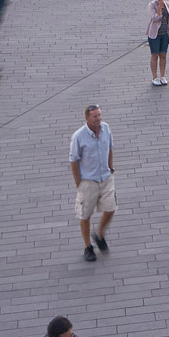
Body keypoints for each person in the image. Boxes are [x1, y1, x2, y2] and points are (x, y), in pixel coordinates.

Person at [70, 105, 115, 261]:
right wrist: (79, 184)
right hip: (88, 181)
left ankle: (99, 233)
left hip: (106, 177)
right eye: (95, 116)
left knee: (111, 208)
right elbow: (73, 160)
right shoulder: (79, 136)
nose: (99, 118)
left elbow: (110, 148)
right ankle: (88, 246)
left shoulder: (106, 128)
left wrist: (111, 168)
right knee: (85, 215)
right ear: (87, 118)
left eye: (100, 115)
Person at [144, 0, 169, 87]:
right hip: (154, 34)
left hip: (164, 33)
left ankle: (162, 76)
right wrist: (160, 7)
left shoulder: (168, 5)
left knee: (163, 55)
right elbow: (155, 18)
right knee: (155, 55)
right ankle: (155, 77)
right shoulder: (152, 4)